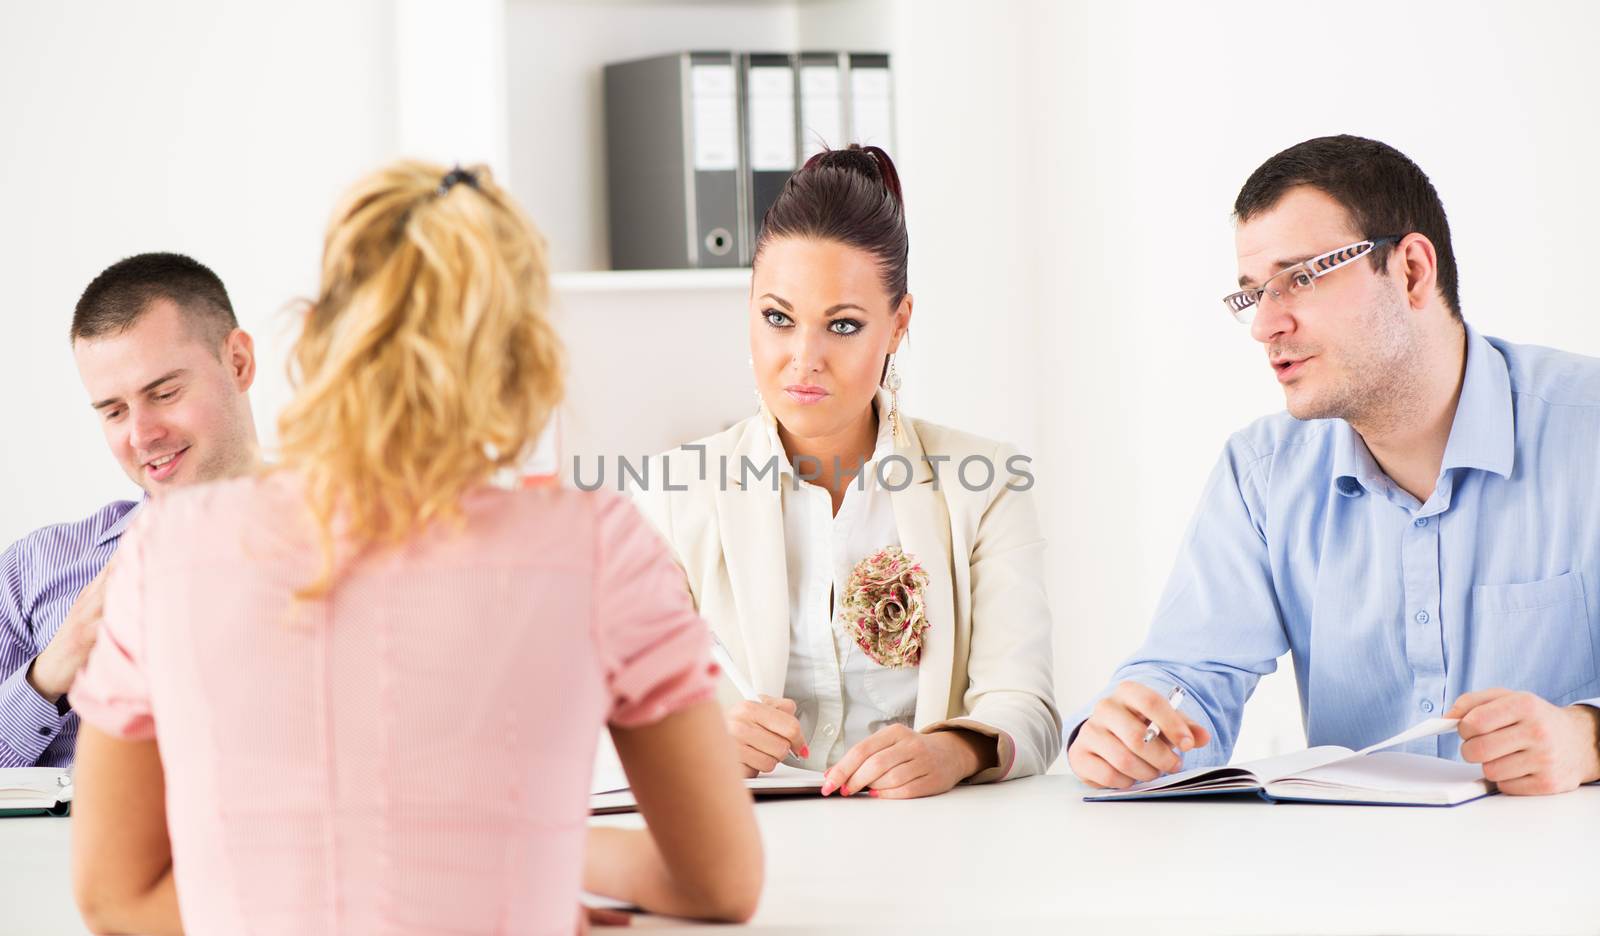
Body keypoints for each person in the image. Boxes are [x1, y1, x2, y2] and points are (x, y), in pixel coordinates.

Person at [68, 161, 762, 934]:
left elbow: (114, 898)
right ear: (523, 352)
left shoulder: (165, 552)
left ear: (323, 333)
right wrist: (520, 866)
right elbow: (718, 884)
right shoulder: (600, 547)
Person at [1067, 135, 1600, 796]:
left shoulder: (1588, 432)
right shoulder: (1262, 473)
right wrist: (1132, 732)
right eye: (1252, 295)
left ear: (1410, 270)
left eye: (1301, 278)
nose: (1265, 326)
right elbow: (1189, 681)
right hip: (1350, 880)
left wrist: (1589, 739)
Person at [634, 145, 1060, 800]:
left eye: (843, 325)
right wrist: (700, 740)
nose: (803, 360)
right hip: (751, 846)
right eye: (778, 318)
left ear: (898, 325)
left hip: (935, 840)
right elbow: (632, 711)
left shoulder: (986, 483)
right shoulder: (669, 496)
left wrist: (950, 751)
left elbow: (1025, 707)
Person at [0, 252, 259, 767]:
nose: (141, 435)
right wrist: (56, 664)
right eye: (114, 411)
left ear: (238, 363)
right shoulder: (33, 571)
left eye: (163, 393)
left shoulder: (353, 544)